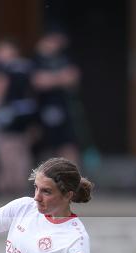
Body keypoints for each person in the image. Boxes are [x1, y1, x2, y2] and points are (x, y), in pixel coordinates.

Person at [0, 39, 37, 195]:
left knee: (7, 147)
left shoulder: (3, 68)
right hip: (27, 111)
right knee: (22, 148)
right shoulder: (27, 66)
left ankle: (10, 183)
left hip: (9, 113)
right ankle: (22, 183)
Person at [32, 30, 81, 165]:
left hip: (63, 108)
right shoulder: (36, 60)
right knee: (46, 148)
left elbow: (73, 78)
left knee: (68, 145)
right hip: (42, 109)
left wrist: (52, 79)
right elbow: (38, 81)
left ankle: (71, 175)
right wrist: (60, 78)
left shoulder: (63, 58)